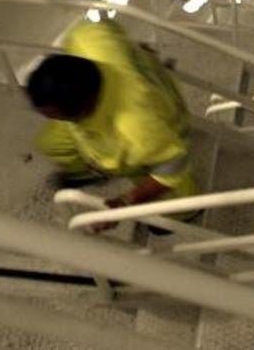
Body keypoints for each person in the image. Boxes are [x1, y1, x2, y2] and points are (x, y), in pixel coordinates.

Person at [26, 18, 198, 231]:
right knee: (52, 143)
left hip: (163, 121)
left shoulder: (136, 128)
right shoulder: (87, 38)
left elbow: (174, 166)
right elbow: (111, 26)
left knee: (178, 197)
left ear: (83, 108)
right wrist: (139, 51)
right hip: (124, 106)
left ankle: (186, 214)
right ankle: (91, 170)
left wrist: (125, 202)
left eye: (57, 115)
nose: (51, 119)